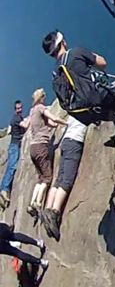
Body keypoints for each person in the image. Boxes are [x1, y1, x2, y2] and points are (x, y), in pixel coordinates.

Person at [39, 115, 88, 240]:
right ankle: (55, 212)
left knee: (59, 179)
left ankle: (48, 208)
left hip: (65, 142)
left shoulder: (72, 112)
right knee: (67, 180)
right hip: (75, 141)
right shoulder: (85, 109)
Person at [25, 89, 67, 218]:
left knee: (41, 178)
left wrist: (56, 125)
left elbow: (50, 123)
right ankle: (38, 203)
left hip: (33, 148)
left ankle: (31, 203)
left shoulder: (32, 111)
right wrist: (66, 122)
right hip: (41, 146)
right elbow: (53, 118)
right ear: (41, 97)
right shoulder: (41, 108)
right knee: (48, 177)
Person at [0, 101, 28, 209]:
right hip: (14, 146)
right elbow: (25, 125)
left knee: (10, 167)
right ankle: (4, 189)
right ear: (15, 109)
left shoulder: (17, 118)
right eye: (17, 108)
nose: (19, 110)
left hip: (15, 145)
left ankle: (4, 191)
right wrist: (32, 116)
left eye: (20, 108)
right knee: (12, 166)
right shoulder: (16, 118)